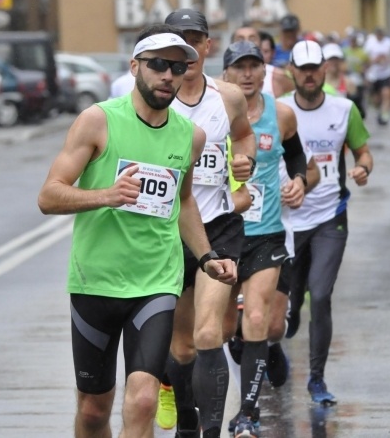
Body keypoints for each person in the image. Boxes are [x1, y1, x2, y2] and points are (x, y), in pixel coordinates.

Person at [36, 24, 238, 438]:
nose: (168, 75)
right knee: (93, 411)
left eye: (179, 67)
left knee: (144, 399)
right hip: (96, 281)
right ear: (135, 67)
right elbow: (49, 196)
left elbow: (183, 202)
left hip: (155, 282)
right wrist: (105, 195)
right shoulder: (98, 121)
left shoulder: (191, 136)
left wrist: (206, 257)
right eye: (158, 65)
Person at [163, 8, 257, 438]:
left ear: (206, 46)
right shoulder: (148, 102)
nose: (188, 48)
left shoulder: (228, 97)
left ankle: (211, 432)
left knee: (207, 334)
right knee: (180, 348)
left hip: (218, 226)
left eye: (195, 39)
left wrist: (246, 159)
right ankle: (186, 421)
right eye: (178, 39)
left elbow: (243, 134)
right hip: (166, 233)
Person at [219, 41, 308, 437]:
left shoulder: (282, 115)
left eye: (255, 66)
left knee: (260, 319)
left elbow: (297, 158)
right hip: (221, 234)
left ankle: (248, 414)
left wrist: (300, 182)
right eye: (240, 68)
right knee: (221, 330)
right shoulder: (211, 116)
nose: (248, 74)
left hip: (267, 234)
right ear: (226, 75)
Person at [279, 40, 373, 405]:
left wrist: (363, 167)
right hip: (286, 220)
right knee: (289, 306)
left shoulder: (344, 109)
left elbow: (363, 150)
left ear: (324, 70)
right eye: (301, 69)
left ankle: (316, 379)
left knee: (320, 295)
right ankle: (279, 341)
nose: (308, 75)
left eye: (314, 68)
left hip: (329, 217)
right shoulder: (280, 109)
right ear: (291, 71)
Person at [231, 26, 295, 98]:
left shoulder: (279, 77)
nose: (247, 42)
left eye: (252, 39)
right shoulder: (221, 82)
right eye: (240, 39)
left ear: (260, 44)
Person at [363, 28, 390, 125]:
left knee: (386, 94)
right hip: (374, 74)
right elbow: (365, 59)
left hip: (386, 73)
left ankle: (385, 114)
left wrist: (389, 60)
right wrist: (374, 61)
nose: (380, 36)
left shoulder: (389, 43)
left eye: (381, 34)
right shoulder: (370, 43)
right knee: (376, 98)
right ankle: (379, 111)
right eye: (378, 34)